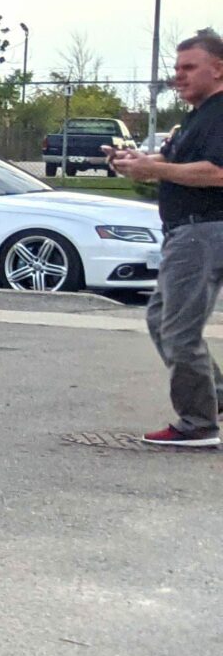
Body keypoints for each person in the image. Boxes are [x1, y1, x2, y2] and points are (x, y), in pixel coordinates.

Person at [108, 28, 223, 448]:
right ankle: (215, 398)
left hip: (202, 231)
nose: (179, 76)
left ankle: (198, 423)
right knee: (160, 319)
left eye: (190, 68)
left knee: (178, 330)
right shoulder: (200, 115)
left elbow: (216, 172)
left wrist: (156, 170)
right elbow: (175, 160)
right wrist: (136, 161)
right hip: (187, 232)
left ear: (219, 69)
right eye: (176, 68)